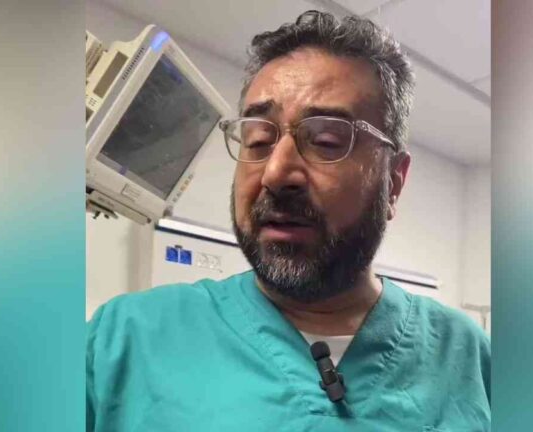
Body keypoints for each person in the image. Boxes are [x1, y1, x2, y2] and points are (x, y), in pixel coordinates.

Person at [87, 10, 490, 431]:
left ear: (393, 181)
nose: (276, 173)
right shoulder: (122, 343)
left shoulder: (469, 359)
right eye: (258, 139)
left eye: (327, 141)